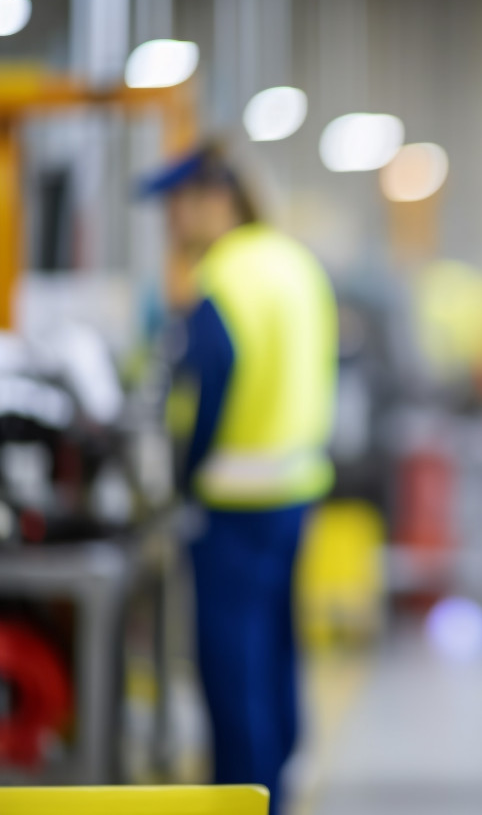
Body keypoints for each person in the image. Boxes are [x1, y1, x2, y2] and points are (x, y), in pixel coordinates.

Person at [140, 142, 337, 815]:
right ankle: (278, 786)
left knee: (231, 667)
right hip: (296, 490)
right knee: (277, 650)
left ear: (214, 199)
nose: (172, 222)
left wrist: (180, 475)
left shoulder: (223, 275)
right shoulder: (293, 263)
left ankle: (243, 798)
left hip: (233, 502)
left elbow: (207, 385)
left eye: (178, 206)